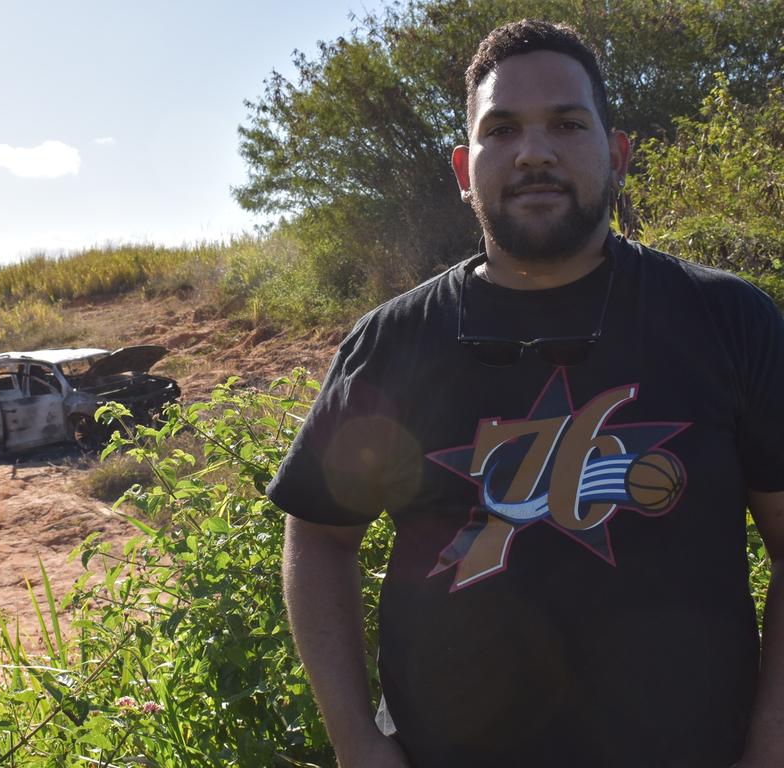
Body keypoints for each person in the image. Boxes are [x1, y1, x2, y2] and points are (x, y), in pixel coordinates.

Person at [267, 19, 784, 768]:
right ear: (462, 168)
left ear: (616, 153)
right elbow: (318, 535)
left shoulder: (729, 321)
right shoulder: (394, 343)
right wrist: (355, 741)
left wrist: (770, 749)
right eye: (500, 129)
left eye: (566, 124)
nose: (533, 151)